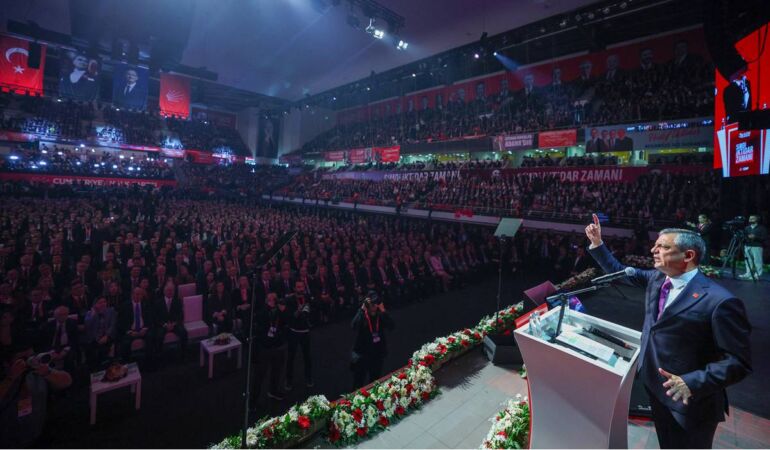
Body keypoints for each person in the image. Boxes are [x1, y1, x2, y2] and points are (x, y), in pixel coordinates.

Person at [585, 214, 751, 448]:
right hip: (656, 388)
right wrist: (597, 244)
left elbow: (738, 362)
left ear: (688, 255)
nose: (653, 250)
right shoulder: (656, 279)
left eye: (662, 246)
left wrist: (692, 382)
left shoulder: (720, 301)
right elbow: (619, 271)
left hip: (690, 401)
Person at [0, 342, 72, 448]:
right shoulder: (5, 376)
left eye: (31, 356)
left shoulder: (37, 371)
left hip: (37, 433)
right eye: (23, 358)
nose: (29, 360)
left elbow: (67, 381)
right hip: (7, 438)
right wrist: (10, 378)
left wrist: (47, 372)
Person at [250, 293, 289, 405]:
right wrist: (275, 310)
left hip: (278, 346)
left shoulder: (279, 311)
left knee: (277, 371)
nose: (273, 301)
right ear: (267, 300)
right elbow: (263, 321)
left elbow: (286, 321)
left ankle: (273, 391)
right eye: (271, 299)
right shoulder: (263, 311)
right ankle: (253, 401)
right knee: (259, 375)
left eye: (275, 299)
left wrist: (282, 311)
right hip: (265, 348)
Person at [350, 292, 394, 389]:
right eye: (372, 303)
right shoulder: (363, 315)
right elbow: (353, 326)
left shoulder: (380, 315)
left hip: (377, 353)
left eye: (376, 302)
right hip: (362, 354)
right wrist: (362, 309)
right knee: (358, 382)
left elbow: (392, 326)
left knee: (375, 381)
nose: (374, 305)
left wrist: (384, 311)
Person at [285, 281, 313, 390]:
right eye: (298, 287)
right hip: (294, 332)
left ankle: (309, 378)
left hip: (305, 331)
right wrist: (299, 310)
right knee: (291, 357)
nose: (300, 289)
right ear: (294, 288)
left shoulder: (308, 298)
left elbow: (312, 311)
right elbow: (290, 317)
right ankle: (288, 380)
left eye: (301, 286)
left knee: (307, 357)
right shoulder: (290, 300)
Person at [153, 282, 187, 360]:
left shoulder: (178, 301)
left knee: (184, 333)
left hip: (174, 324)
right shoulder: (158, 302)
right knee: (159, 336)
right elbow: (156, 318)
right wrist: (165, 325)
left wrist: (174, 324)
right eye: (168, 290)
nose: (170, 292)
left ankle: (183, 355)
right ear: (164, 291)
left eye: (172, 290)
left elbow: (181, 315)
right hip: (163, 325)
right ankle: (159, 356)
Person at [84, 296, 117, 369]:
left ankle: (107, 366)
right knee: (91, 351)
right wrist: (93, 314)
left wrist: (107, 336)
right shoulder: (90, 313)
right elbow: (87, 326)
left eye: (104, 302)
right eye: (100, 302)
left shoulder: (111, 311)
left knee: (105, 348)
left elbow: (112, 325)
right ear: (95, 304)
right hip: (94, 339)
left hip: (107, 337)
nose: (103, 304)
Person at [741, 215, 767, 280]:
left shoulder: (762, 228)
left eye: (752, 218)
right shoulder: (747, 228)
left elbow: (764, 238)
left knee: (757, 261)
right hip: (747, 246)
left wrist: (755, 237)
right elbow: (744, 237)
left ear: (757, 219)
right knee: (748, 261)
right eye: (750, 218)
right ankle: (748, 273)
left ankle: (757, 275)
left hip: (757, 246)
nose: (750, 219)